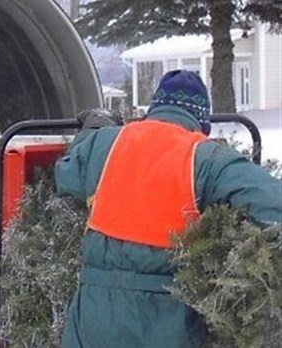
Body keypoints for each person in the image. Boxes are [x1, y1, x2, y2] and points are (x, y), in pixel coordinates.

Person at [54, 69, 282, 348]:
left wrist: (91, 133)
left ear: (153, 110)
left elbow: (66, 176)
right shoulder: (208, 159)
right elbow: (273, 205)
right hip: (166, 320)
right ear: (201, 122)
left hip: (94, 316)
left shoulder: (108, 142)